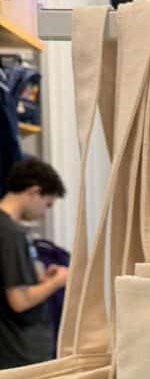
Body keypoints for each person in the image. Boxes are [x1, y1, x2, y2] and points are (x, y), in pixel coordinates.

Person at [0, 157, 67, 368]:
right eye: (47, 204)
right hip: (19, 353)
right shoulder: (11, 232)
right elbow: (18, 300)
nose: (44, 213)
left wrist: (42, 279)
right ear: (34, 191)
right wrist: (57, 282)